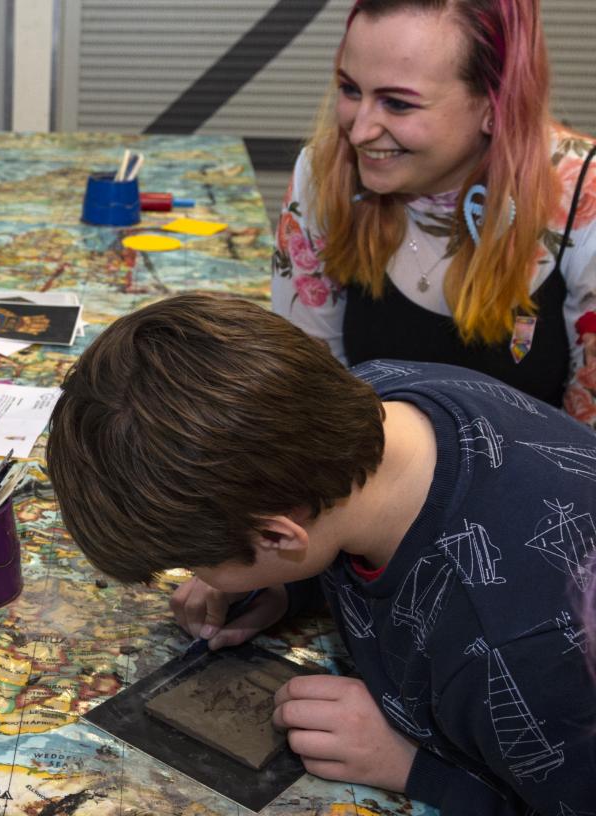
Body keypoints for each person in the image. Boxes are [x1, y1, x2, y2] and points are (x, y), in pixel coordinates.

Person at [46, 292, 596, 814]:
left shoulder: (522, 655)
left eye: (194, 561)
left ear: (280, 536)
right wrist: (288, 584)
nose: (195, 576)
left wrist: (417, 767)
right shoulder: (378, 390)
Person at [271, 0, 596, 425]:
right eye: (350, 90)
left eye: (399, 104)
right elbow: (310, 398)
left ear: (493, 105)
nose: (360, 130)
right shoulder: (325, 172)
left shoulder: (582, 198)